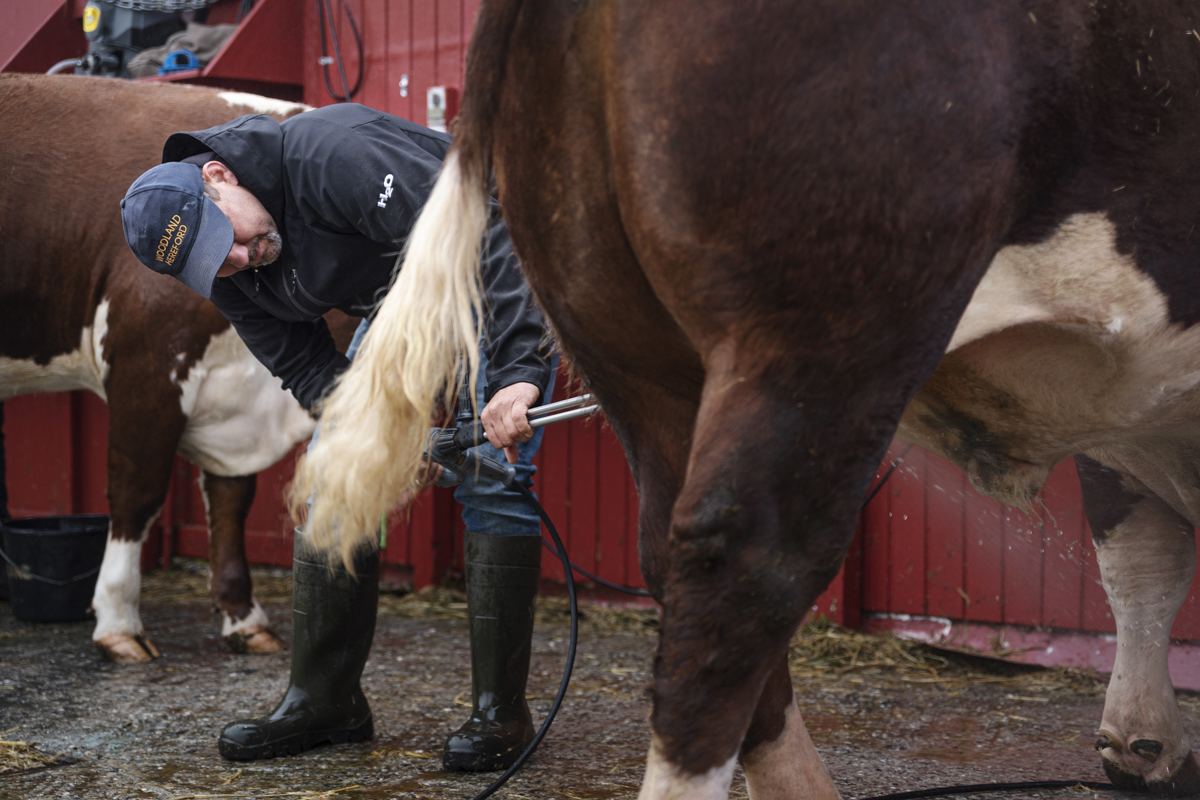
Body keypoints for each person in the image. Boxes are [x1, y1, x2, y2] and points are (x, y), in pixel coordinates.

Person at [119, 104, 555, 771]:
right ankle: (327, 701)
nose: (238, 259)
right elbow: (304, 366)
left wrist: (519, 374)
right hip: (407, 301)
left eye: (227, 238)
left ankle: (502, 713)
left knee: (493, 472)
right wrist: (383, 443)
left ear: (219, 175)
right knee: (336, 474)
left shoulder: (331, 154)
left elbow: (484, 233)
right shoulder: (226, 271)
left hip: (495, 263)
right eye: (214, 263)